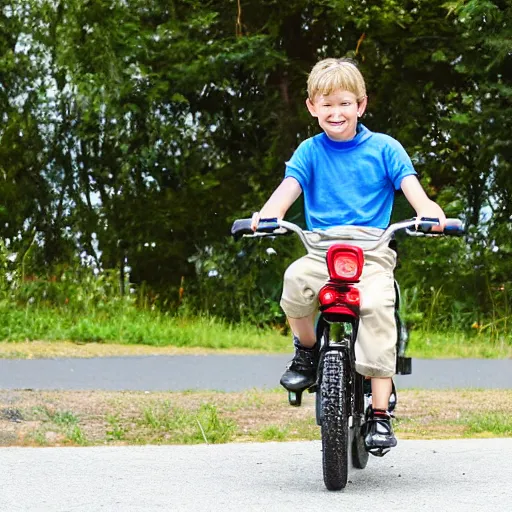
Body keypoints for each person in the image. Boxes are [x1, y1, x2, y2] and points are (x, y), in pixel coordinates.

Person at [251, 57, 446, 454]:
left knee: (377, 307)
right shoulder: (309, 151)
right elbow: (287, 190)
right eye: (326, 104)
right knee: (293, 281)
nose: (335, 112)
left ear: (361, 105)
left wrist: (429, 212)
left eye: (344, 103)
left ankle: (379, 415)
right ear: (312, 108)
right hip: (320, 248)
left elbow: (413, 189)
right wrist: (267, 216)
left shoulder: (385, 149)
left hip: (372, 251)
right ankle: (306, 351)